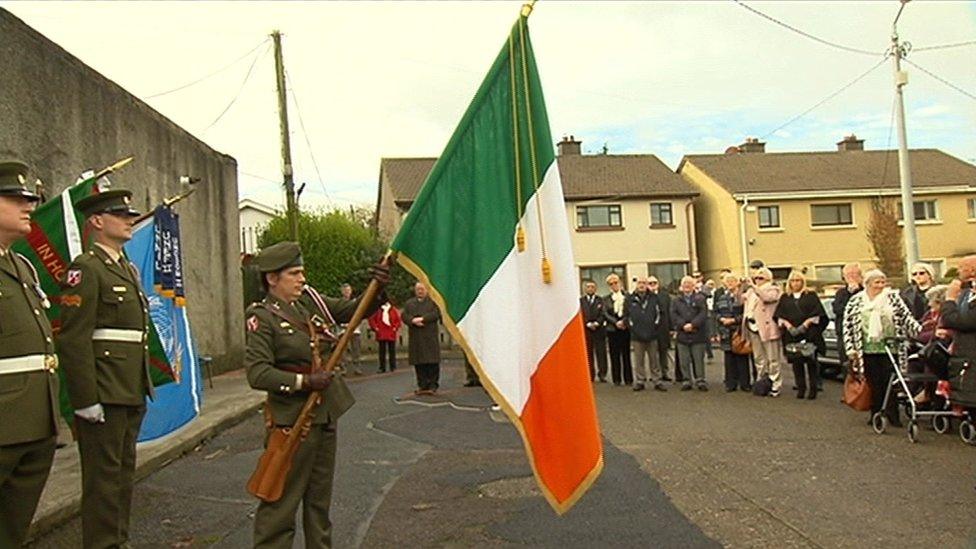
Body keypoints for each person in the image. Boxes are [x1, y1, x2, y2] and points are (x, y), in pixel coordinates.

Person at [245, 241, 388, 548]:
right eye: (294, 274)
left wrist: (377, 288)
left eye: (302, 272)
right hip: (292, 419)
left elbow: (351, 311)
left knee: (319, 505)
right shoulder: (262, 317)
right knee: (280, 503)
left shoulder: (307, 302)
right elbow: (257, 373)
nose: (301, 279)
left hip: (323, 415)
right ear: (272, 278)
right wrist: (305, 381)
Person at [58, 189, 154, 549]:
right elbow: (74, 339)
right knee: (102, 483)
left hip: (128, 388)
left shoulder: (124, 266)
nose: (130, 220)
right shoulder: (86, 268)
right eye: (121, 214)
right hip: (105, 391)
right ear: (97, 221)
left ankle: (118, 542)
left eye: (130, 214)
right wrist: (85, 399)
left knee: (121, 478)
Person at [0, 160, 59, 548]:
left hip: (36, 422)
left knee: (12, 531)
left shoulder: (20, 265)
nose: (29, 206)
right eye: (15, 198)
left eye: (30, 199)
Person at [843, 269, 920, 427]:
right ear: (868, 284)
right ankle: (876, 413)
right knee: (872, 382)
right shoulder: (856, 300)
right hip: (866, 349)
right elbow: (847, 325)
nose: (880, 286)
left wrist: (923, 332)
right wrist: (850, 349)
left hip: (890, 348)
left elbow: (907, 319)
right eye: (877, 282)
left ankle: (893, 414)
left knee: (890, 381)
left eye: (883, 282)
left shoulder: (893, 298)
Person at [775, 271, 828, 400]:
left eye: (798, 280)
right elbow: (779, 315)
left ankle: (813, 389)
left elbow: (818, 314)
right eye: (793, 281)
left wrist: (806, 324)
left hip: (809, 334)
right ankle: (801, 388)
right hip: (792, 335)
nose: (795, 283)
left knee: (811, 362)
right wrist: (788, 326)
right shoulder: (785, 297)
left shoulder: (811, 296)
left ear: (803, 282)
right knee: (796, 362)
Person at [743, 267, 785, 397]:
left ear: (768, 278)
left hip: (767, 328)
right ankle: (761, 382)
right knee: (759, 358)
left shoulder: (773, 289)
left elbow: (767, 298)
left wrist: (754, 287)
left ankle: (775, 383)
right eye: (756, 278)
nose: (757, 280)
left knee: (773, 358)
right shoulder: (751, 292)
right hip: (752, 326)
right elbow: (742, 300)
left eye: (760, 278)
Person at [626, 276, 666, 392]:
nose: (642, 285)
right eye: (639, 283)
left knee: (654, 360)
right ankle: (640, 381)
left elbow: (660, 315)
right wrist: (633, 328)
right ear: (636, 285)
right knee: (639, 360)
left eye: (644, 283)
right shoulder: (630, 299)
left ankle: (657, 381)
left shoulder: (654, 298)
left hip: (652, 334)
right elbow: (626, 315)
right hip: (637, 335)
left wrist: (654, 328)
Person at [670, 275, 709, 391]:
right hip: (682, 334)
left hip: (697, 333)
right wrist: (683, 325)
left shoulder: (700, 298)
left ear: (693, 286)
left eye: (689, 283)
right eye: (684, 283)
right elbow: (673, 315)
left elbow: (703, 314)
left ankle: (700, 380)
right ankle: (686, 380)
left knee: (698, 359)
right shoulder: (676, 300)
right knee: (684, 360)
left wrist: (693, 324)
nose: (687, 285)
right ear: (681, 286)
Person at [403, 281, 442, 394]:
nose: (420, 291)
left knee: (432, 362)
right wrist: (412, 321)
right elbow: (404, 315)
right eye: (418, 289)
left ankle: (433, 385)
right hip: (416, 337)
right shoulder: (409, 303)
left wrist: (423, 319)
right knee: (419, 363)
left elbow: (436, 314)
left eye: (422, 289)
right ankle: (422, 385)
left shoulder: (433, 302)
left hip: (429, 336)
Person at [715, 273, 750, 392]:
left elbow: (746, 314)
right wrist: (721, 319)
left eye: (732, 281)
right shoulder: (722, 298)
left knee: (742, 358)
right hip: (725, 331)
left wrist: (733, 320)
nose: (730, 283)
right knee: (729, 359)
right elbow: (716, 312)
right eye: (727, 281)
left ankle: (745, 383)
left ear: (737, 283)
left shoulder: (743, 297)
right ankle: (730, 384)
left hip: (739, 331)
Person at [941, 255, 976, 359]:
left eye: (961, 267)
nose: (958, 272)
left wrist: (950, 299)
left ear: (972, 271)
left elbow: (962, 321)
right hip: (961, 353)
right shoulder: (965, 293)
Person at [603, 273, 632, 386]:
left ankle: (628, 378)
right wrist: (616, 322)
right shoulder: (606, 299)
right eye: (611, 284)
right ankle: (616, 379)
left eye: (616, 282)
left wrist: (624, 321)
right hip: (612, 329)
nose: (614, 285)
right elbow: (605, 313)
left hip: (625, 328)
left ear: (620, 282)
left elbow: (630, 310)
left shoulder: (627, 296)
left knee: (626, 354)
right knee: (614, 355)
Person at [832, 263, 863, 365]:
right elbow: (838, 309)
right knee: (847, 365)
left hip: (861, 334)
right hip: (844, 334)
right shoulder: (841, 293)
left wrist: (856, 291)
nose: (852, 277)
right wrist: (850, 293)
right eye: (848, 275)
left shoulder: (865, 292)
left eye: (854, 274)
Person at [579, 280, 608, 382]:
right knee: (588, 354)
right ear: (585, 289)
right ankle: (590, 375)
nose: (590, 289)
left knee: (601, 354)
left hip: (599, 330)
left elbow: (603, 314)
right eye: (588, 287)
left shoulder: (601, 300)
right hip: (586, 331)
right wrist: (587, 323)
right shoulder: (580, 301)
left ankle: (602, 374)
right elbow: (580, 314)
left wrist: (597, 323)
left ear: (595, 289)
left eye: (592, 287)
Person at [649, 277, 674, 382]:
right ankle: (655, 374)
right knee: (652, 353)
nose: (652, 285)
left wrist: (671, 328)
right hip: (650, 328)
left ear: (658, 284)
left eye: (654, 283)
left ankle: (665, 372)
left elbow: (669, 312)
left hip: (663, 327)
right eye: (650, 283)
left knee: (663, 351)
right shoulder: (645, 296)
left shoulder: (664, 296)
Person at [368, 297, 401, 373]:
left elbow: (398, 320)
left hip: (391, 332)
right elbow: (372, 319)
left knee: (392, 351)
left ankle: (393, 366)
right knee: (382, 351)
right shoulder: (378, 310)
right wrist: (375, 328)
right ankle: (382, 367)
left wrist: (395, 328)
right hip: (381, 333)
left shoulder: (393, 310)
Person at [338, 283, 363, 375]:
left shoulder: (355, 302)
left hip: (355, 330)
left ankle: (357, 367)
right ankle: (343, 368)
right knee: (342, 351)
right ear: (341, 292)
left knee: (356, 349)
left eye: (348, 290)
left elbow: (360, 316)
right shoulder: (339, 303)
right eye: (345, 290)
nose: (347, 292)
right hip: (343, 330)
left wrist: (354, 324)